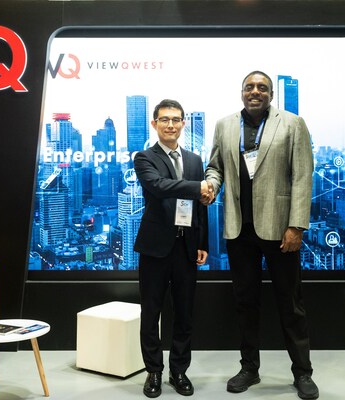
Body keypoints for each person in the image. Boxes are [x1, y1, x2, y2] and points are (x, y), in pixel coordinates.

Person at [203, 71, 318, 399]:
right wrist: (211, 185)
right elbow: (215, 167)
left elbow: (302, 175)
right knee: (245, 303)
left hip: (280, 229)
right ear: (242, 92)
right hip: (239, 229)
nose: (255, 92)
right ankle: (249, 368)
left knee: (290, 304)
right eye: (249, 87)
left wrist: (296, 225)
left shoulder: (292, 123)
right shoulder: (225, 125)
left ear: (271, 94)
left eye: (262, 88)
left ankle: (302, 372)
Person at [133, 99, 210, 398]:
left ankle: (179, 370)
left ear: (183, 124)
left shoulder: (194, 160)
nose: (170, 125)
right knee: (151, 312)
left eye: (176, 119)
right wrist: (197, 186)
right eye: (164, 119)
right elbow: (158, 186)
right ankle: (154, 370)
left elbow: (200, 207)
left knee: (184, 313)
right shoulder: (145, 157)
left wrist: (202, 242)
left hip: (186, 246)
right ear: (154, 124)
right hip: (155, 247)